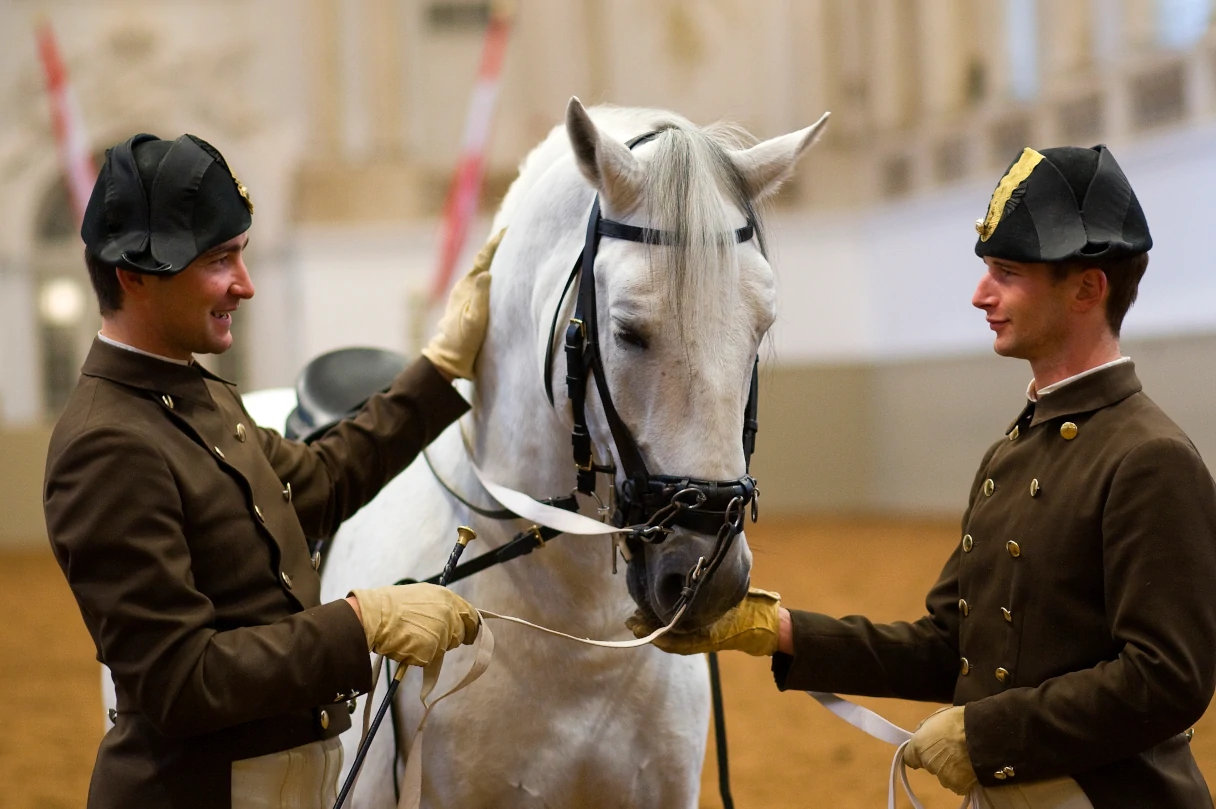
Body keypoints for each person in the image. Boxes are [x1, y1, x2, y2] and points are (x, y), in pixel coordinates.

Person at [629, 144, 1216, 808]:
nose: (980, 294)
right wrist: (775, 628)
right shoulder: (1011, 455)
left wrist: (986, 734)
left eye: (1006, 272)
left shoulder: (1150, 457)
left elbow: (1169, 678)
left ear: (1087, 287)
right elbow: (950, 647)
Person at [43, 133, 502, 809]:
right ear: (133, 275)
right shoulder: (105, 444)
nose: (245, 284)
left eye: (242, 255)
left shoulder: (198, 395)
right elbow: (180, 679)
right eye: (218, 260)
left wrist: (439, 369)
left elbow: (320, 479)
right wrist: (360, 622)